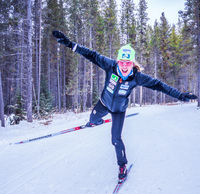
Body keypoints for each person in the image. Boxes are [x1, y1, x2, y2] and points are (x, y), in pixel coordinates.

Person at [52, 30, 198, 183]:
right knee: (92, 119)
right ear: (118, 61)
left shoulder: (136, 77)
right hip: (103, 103)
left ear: (132, 63)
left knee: (115, 139)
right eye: (121, 62)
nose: (124, 66)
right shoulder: (111, 66)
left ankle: (122, 166)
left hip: (118, 111)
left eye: (127, 63)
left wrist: (180, 95)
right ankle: (97, 122)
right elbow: (92, 55)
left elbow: (159, 85)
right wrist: (70, 45)